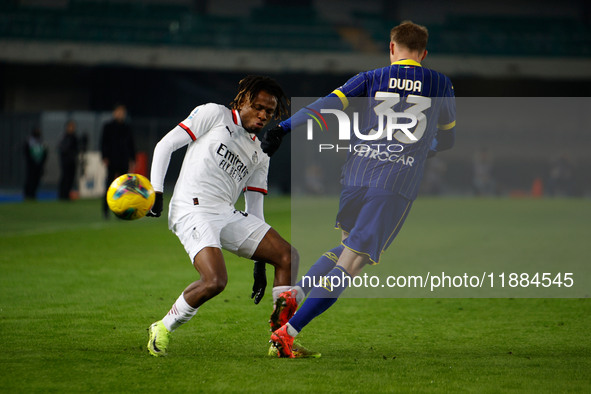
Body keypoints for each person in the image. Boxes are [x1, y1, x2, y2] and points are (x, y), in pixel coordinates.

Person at [261, 21, 457, 358]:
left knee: (345, 249)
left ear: (392, 48)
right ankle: (287, 334)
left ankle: (297, 291)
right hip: (394, 182)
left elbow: (327, 105)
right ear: (424, 53)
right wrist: (428, 145)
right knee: (352, 264)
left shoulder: (371, 77)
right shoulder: (440, 83)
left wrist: (284, 127)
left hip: (356, 175)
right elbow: (448, 137)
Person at [145, 75, 302, 358]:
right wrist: (156, 192)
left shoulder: (261, 151)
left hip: (225, 212)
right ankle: (162, 326)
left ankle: (280, 340)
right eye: (258, 107)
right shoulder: (214, 114)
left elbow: (254, 208)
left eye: (269, 111)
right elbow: (165, 145)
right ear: (243, 101)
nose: (263, 115)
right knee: (215, 281)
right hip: (192, 208)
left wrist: (259, 264)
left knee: (287, 256)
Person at [101, 104, 135, 217]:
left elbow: (131, 144)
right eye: (118, 111)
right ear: (114, 113)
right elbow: (103, 143)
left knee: (124, 187)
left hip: (123, 160)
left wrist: (133, 158)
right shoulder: (108, 126)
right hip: (112, 159)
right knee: (109, 186)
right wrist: (104, 157)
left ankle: (122, 211)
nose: (120, 114)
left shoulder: (127, 127)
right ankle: (106, 210)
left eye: (122, 112)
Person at [23, 127, 48, 200]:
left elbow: (45, 152)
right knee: (30, 179)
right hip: (31, 165)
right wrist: (31, 161)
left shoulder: (41, 141)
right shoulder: (29, 141)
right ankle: (27, 194)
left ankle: (33, 194)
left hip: (39, 164)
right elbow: (26, 152)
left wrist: (42, 162)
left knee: (36, 180)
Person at [58, 120, 79, 200]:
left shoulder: (74, 137)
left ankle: (67, 194)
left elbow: (76, 149)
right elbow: (62, 149)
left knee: (71, 178)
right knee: (65, 178)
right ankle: (62, 195)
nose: (72, 128)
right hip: (65, 161)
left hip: (72, 161)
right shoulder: (64, 137)